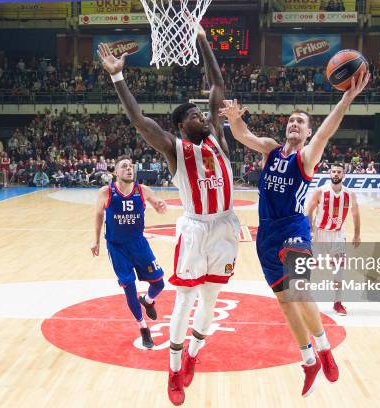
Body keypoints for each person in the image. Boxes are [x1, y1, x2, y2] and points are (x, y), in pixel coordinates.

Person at [98, 21, 240, 406]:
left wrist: (204, 41)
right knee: (185, 300)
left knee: (210, 301)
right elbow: (140, 123)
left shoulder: (218, 139)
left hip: (225, 227)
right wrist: (119, 79)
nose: (203, 117)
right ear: (181, 126)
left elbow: (218, 86)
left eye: (202, 113)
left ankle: (193, 356)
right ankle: (174, 368)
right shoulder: (176, 149)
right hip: (196, 229)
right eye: (194, 115)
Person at [220, 70, 369, 397]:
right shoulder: (271, 149)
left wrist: (346, 98)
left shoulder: (307, 157)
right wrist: (233, 118)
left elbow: (327, 133)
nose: (294, 124)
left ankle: (325, 348)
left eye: (301, 122)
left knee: (299, 291)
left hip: (295, 231)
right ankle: (308, 359)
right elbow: (244, 135)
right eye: (291, 120)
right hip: (266, 236)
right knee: (286, 302)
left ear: (307, 132)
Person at [91, 157, 167, 349]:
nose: (128, 168)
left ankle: (148, 300)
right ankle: (143, 327)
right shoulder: (106, 192)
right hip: (117, 247)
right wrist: (96, 240)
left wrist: (160, 206)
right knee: (129, 286)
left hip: (139, 244)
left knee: (159, 283)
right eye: (124, 166)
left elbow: (158, 205)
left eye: (130, 166)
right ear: (116, 172)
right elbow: (99, 214)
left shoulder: (142, 190)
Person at [305, 163, 360, 316]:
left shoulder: (349, 194)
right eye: (334, 171)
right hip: (319, 233)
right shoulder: (320, 191)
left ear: (343, 175)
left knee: (339, 270)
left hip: (337, 234)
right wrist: (309, 230)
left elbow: (355, 214)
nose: (336, 174)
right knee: (312, 267)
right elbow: (308, 210)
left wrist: (357, 234)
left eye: (339, 172)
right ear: (329, 173)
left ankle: (337, 302)